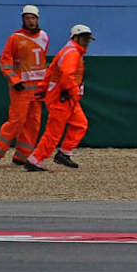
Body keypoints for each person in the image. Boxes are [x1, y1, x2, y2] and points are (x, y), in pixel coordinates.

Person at [24, 24, 95, 171]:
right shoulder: (72, 53)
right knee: (54, 132)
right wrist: (74, 92)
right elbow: (67, 76)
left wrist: (43, 88)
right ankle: (35, 160)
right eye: (84, 38)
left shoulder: (70, 51)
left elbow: (51, 71)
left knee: (80, 124)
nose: (87, 42)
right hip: (62, 97)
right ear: (76, 38)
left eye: (88, 39)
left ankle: (64, 153)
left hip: (66, 97)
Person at [0, 5, 50, 165]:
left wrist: (44, 86)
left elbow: (42, 62)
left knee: (33, 124)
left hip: (37, 89)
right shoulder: (15, 38)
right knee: (17, 121)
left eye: (33, 18)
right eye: (27, 18)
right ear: (23, 19)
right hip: (21, 88)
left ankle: (22, 156)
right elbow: (5, 61)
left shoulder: (44, 36)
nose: (30, 21)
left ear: (37, 19)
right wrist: (14, 80)